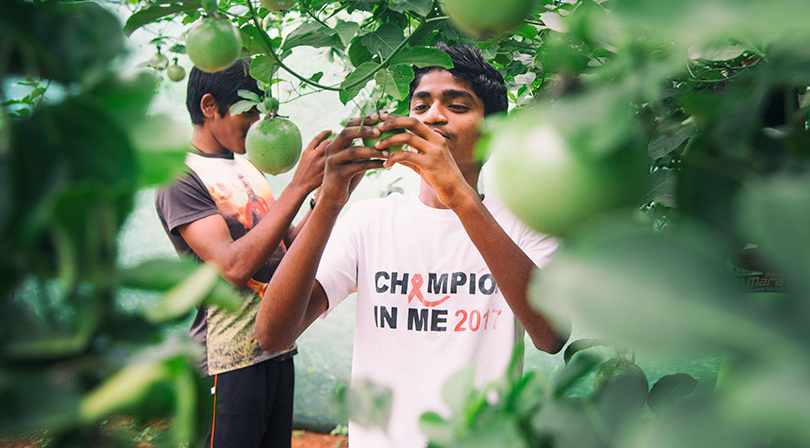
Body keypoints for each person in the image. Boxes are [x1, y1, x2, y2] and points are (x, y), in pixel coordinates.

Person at [255, 43, 568, 448]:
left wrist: (456, 193)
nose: (433, 115)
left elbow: (551, 335)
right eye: (420, 106)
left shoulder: (526, 225)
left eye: (456, 106)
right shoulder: (371, 222)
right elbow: (273, 335)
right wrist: (329, 202)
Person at [155, 59, 331, 448]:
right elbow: (232, 266)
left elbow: (287, 251)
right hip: (225, 361)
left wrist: (329, 194)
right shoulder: (179, 176)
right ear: (209, 106)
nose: (257, 121)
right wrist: (298, 186)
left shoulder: (250, 168)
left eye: (261, 109)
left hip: (276, 348)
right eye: (247, 110)